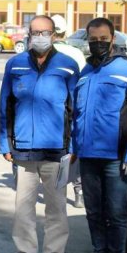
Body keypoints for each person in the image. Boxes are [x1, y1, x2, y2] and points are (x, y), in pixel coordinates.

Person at [0, 15, 79, 253]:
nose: (40, 37)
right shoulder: (15, 64)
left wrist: (74, 145)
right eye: (35, 32)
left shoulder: (68, 66)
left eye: (45, 32)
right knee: (23, 207)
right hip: (23, 150)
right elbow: (5, 107)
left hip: (57, 150)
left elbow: (76, 109)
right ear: (29, 35)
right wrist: (4, 143)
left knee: (57, 207)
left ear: (54, 35)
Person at [71, 17, 127, 253]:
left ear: (113, 39)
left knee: (115, 213)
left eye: (103, 39)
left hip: (115, 156)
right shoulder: (85, 72)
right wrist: (74, 148)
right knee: (93, 212)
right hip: (87, 155)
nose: (98, 43)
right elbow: (76, 114)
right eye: (93, 40)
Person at [51, 14, 86, 208]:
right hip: (73, 108)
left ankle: (56, 190)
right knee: (73, 150)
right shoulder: (76, 53)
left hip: (52, 110)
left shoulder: (45, 52)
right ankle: (78, 191)